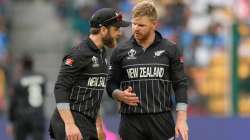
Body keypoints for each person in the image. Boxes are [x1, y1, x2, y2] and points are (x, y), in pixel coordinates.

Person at [106, 1, 188, 140]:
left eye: (141, 25)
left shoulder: (170, 49)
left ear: (154, 24)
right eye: (134, 24)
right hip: (131, 123)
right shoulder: (120, 51)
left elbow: (180, 85)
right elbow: (110, 84)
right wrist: (118, 94)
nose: (136, 28)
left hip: (161, 121)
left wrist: (181, 119)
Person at [49, 8, 130, 140]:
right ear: (103, 30)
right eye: (116, 29)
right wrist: (69, 124)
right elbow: (60, 88)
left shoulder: (102, 53)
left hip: (87, 121)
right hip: (71, 121)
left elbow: (92, 94)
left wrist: (99, 125)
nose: (119, 33)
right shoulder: (79, 53)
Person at [7, 54, 46, 140]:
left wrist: (11, 121)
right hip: (38, 115)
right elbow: (43, 94)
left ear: (22, 65)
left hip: (22, 116)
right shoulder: (42, 77)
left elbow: (13, 102)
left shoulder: (18, 80)